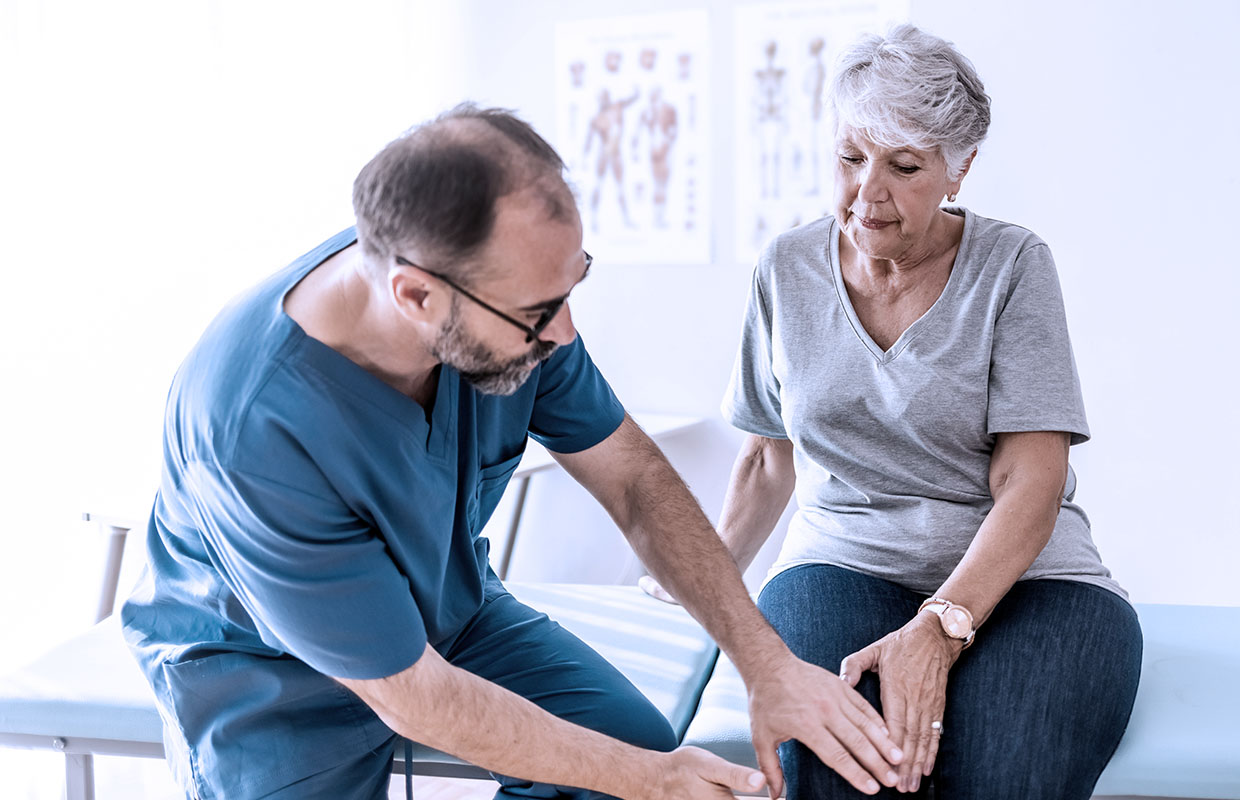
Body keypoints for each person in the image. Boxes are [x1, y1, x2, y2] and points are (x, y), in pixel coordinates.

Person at [121, 104, 904, 800]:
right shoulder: (254, 425)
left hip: (448, 612)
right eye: (540, 312)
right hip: (269, 678)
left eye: (574, 285)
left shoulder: (506, 304)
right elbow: (411, 692)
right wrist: (649, 782)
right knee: (641, 777)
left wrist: (763, 664)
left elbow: (632, 481)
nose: (563, 332)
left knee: (634, 752)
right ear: (417, 298)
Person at [648, 24, 1142, 799]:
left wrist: (939, 629)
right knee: (841, 773)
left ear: (959, 169)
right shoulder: (785, 268)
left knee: (1001, 778)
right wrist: (703, 589)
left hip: (1030, 581)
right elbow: (767, 455)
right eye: (850, 157)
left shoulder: (1013, 266)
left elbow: (1032, 480)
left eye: (903, 166)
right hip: (842, 562)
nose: (866, 192)